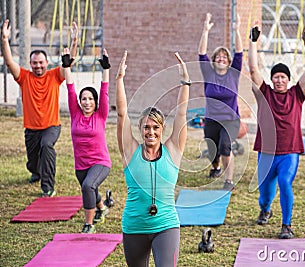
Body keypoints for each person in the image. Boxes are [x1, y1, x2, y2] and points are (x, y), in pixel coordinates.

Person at [116, 50, 190, 267]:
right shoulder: (130, 151)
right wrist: (119, 80)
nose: (151, 132)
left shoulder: (173, 150)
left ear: (162, 128)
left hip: (166, 225)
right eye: (146, 127)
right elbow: (122, 114)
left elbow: (182, 114)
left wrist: (185, 82)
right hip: (134, 227)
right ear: (139, 129)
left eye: (155, 127)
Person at [248, 22, 305, 238]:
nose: (279, 79)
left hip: (289, 152)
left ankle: (286, 225)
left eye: (283, 77)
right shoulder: (264, 93)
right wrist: (253, 42)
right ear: (272, 78)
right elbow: (252, 69)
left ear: (288, 80)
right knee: (265, 194)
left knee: (285, 182)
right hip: (266, 153)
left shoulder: (296, 94)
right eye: (276, 76)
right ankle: (265, 209)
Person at [1, 20, 78, 197]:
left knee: (46, 146)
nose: (38, 66)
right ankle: (35, 172)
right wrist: (4, 40)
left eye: (41, 63)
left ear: (46, 63)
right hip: (31, 129)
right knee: (33, 161)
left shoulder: (55, 76)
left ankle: (48, 187)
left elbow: (69, 64)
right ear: (30, 64)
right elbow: (9, 62)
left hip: (51, 126)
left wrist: (74, 42)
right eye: (35, 63)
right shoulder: (24, 77)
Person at [61, 47, 112, 233]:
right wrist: (67, 66)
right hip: (81, 164)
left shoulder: (101, 115)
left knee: (88, 185)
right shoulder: (75, 114)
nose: (87, 102)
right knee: (89, 188)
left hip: (100, 162)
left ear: (96, 102)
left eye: (91, 99)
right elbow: (70, 89)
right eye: (84, 99)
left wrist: (106, 68)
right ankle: (102, 207)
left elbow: (104, 90)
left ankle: (88, 225)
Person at [198, 12, 243, 191]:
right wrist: (205, 30)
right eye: (218, 57)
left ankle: (229, 181)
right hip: (211, 119)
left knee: (225, 147)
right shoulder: (209, 74)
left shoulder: (234, 74)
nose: (221, 59)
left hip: (230, 119)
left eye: (225, 57)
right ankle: (215, 167)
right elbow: (201, 53)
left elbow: (239, 53)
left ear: (229, 62)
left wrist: (237, 30)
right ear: (214, 61)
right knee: (212, 150)